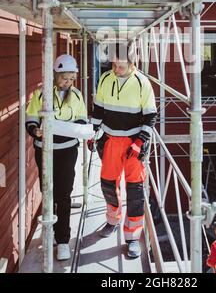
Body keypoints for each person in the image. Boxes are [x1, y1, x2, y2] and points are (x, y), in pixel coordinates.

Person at [89, 42, 157, 258]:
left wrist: (139, 143)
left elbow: (151, 117)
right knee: (108, 184)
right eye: (113, 65)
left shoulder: (142, 83)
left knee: (135, 191)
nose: (115, 69)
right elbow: (98, 109)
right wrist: (93, 132)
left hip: (133, 144)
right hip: (110, 141)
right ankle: (113, 221)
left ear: (131, 63)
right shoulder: (106, 78)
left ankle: (133, 237)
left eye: (120, 66)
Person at [25, 54, 87, 261]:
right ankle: (49, 230)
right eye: (64, 78)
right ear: (55, 75)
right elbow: (31, 119)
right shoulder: (41, 94)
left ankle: (62, 240)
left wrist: (75, 129)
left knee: (64, 194)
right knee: (47, 191)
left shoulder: (77, 96)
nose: (67, 83)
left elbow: (81, 120)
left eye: (71, 79)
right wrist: (35, 131)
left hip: (68, 151)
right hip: (45, 150)